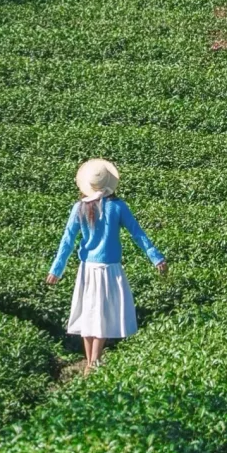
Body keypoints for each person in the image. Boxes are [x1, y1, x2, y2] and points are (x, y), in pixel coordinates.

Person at [46, 157, 167, 372]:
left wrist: (57, 269)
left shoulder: (79, 208)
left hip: (87, 269)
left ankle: (91, 362)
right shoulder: (118, 207)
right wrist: (155, 257)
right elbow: (137, 233)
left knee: (88, 313)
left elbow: (67, 240)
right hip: (109, 268)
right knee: (101, 314)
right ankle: (94, 361)